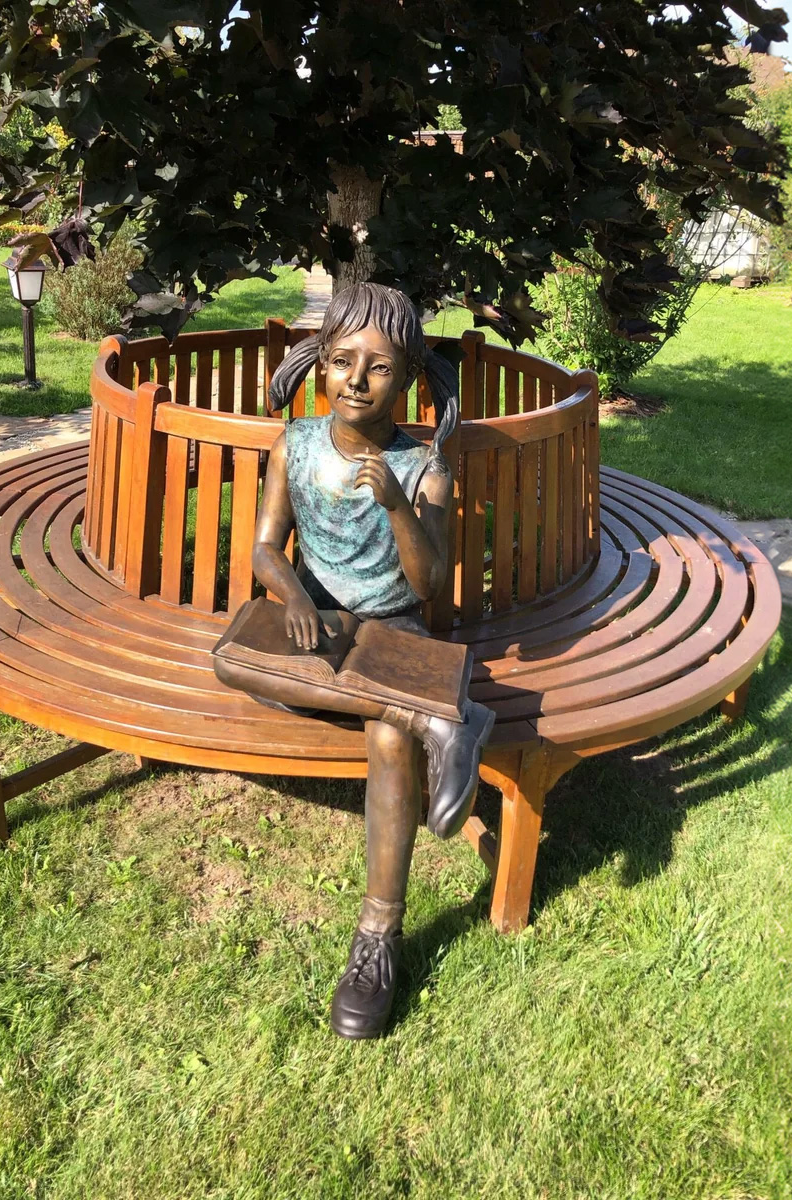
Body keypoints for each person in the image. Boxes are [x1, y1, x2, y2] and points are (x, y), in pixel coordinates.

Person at [213, 282, 494, 1039]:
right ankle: (446, 719)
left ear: (406, 379)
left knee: (389, 738)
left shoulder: (422, 465)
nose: (356, 380)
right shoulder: (295, 445)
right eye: (341, 362)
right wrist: (294, 599)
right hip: (319, 628)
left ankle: (377, 938)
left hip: (396, 631)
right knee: (231, 661)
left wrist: (400, 506)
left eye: (377, 367)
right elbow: (267, 550)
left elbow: (428, 584)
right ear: (320, 367)